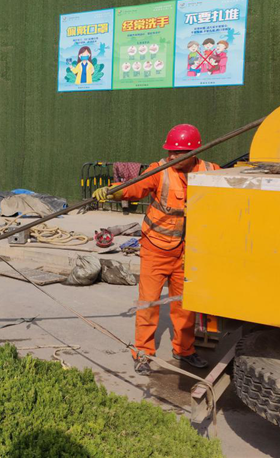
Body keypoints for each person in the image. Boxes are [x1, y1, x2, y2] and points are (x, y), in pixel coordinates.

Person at [93, 125, 219, 375]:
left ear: (194, 151)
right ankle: (142, 352)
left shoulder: (211, 171)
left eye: (178, 152)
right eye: (170, 151)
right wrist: (112, 192)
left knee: (184, 306)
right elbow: (134, 187)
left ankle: (184, 350)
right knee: (148, 303)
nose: (173, 156)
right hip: (156, 248)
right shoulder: (158, 170)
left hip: (189, 252)